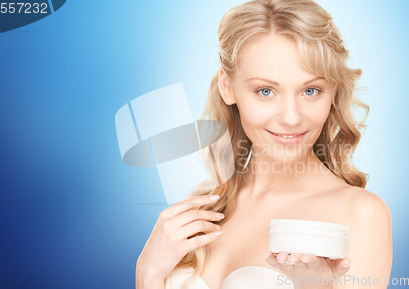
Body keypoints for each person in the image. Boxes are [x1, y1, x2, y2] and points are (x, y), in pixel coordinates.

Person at [136, 0, 393, 288]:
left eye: (311, 90)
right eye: (266, 91)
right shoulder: (203, 206)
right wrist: (147, 273)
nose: (291, 118)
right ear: (227, 87)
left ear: (332, 92)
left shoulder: (360, 215)